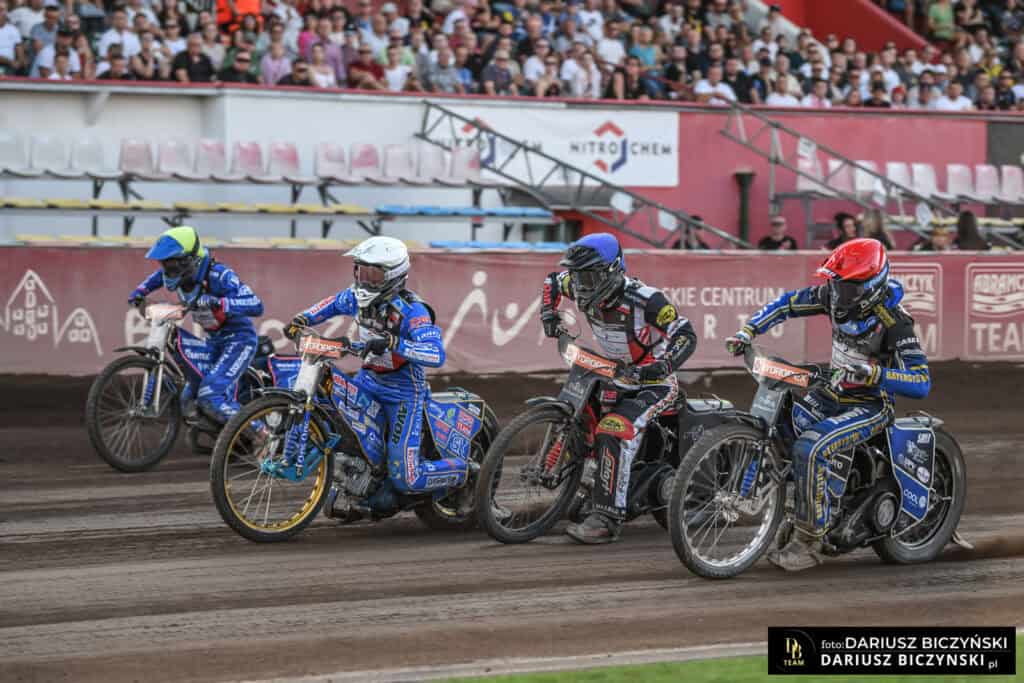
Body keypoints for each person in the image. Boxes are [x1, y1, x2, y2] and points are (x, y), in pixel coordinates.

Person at [725, 239, 930, 571]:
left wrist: (875, 374)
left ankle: (810, 540)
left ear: (871, 287)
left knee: (810, 447)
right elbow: (787, 304)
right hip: (830, 393)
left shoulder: (895, 322)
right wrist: (748, 331)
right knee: (782, 425)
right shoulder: (832, 296)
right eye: (835, 284)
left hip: (870, 404)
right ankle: (804, 505)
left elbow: (921, 381)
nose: (837, 293)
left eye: (847, 287)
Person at [539, 233, 697, 544]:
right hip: (614, 374)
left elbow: (686, 334)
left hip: (653, 384)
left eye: (588, 277)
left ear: (612, 271)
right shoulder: (576, 283)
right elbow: (552, 281)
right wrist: (548, 314)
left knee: (613, 430)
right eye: (578, 277)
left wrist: (663, 365)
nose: (581, 286)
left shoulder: (647, 300)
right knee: (581, 416)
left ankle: (607, 519)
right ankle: (590, 481)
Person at [283, 237, 462, 508]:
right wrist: (302, 319)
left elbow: (436, 354)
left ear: (394, 276)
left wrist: (394, 343)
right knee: (336, 415)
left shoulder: (413, 311)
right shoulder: (356, 297)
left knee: (407, 477)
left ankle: (464, 471)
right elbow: (332, 304)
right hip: (367, 380)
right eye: (360, 271)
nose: (364, 280)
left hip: (403, 393)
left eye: (373, 274)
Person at [128, 226, 264, 424]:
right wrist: (139, 292)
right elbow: (156, 278)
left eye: (172, 264)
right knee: (188, 400)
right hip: (213, 342)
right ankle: (223, 435)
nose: (167, 270)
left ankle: (261, 433)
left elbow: (256, 305)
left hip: (239, 341)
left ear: (188, 260)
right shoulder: (173, 274)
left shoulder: (219, 275)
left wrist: (222, 303)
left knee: (209, 395)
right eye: (165, 264)